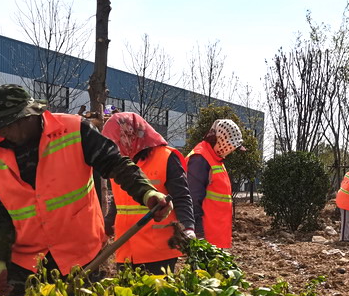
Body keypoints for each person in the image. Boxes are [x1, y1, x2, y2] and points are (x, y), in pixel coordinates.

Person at [0, 84, 171, 296]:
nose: (2, 132)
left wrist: (147, 193)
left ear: (28, 116)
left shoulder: (74, 129)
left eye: (6, 124)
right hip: (26, 262)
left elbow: (116, 164)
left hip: (82, 255)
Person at [101, 112, 196, 274]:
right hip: (125, 250)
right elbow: (119, 203)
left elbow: (181, 197)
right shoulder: (120, 165)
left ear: (132, 135)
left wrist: (188, 228)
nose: (116, 148)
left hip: (158, 252)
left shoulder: (166, 157)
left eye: (118, 142)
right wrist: (105, 231)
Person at [186, 119, 246, 248]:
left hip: (215, 237)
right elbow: (192, 199)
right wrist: (198, 233)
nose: (231, 151)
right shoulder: (200, 159)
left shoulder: (214, 158)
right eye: (231, 146)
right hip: (206, 238)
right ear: (221, 141)